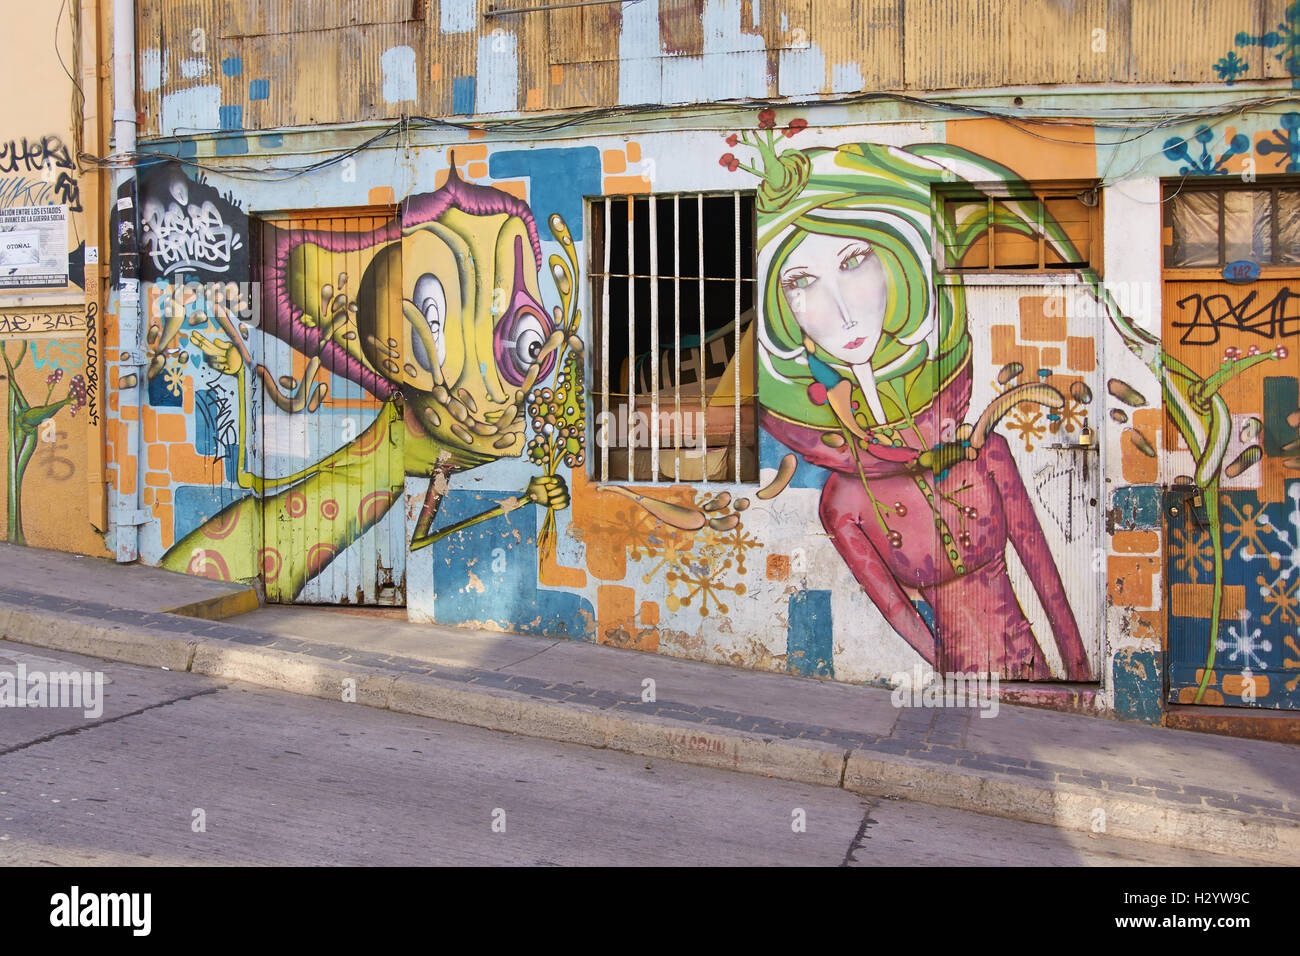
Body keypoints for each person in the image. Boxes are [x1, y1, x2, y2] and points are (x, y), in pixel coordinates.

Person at [733, 129, 1093, 680]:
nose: (842, 313)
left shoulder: (982, 451)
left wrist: (1080, 673)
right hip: (956, 687)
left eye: (854, 260)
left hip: (1035, 671)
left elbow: (1044, 573)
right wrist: (946, 672)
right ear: (785, 318)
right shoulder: (842, 499)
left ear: (899, 266)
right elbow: (898, 612)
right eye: (801, 282)